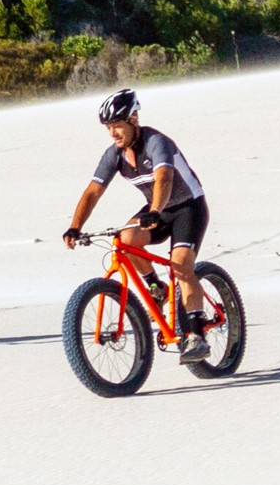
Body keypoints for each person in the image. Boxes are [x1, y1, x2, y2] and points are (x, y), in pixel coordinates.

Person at [64, 87, 211, 354]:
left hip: (189, 207)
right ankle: (156, 287)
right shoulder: (114, 155)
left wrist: (154, 210)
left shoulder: (157, 142)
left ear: (133, 120)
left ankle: (197, 336)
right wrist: (75, 226)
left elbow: (164, 178)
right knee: (125, 239)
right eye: (108, 127)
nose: (113, 133)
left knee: (181, 267)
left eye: (117, 126)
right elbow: (92, 192)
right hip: (157, 209)